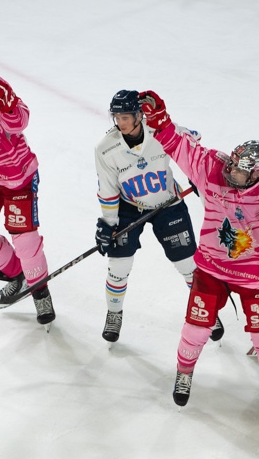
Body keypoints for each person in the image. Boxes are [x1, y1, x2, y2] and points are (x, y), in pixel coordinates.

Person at [137, 89, 259, 419]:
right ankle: (184, 374)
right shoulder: (213, 167)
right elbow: (180, 146)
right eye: (232, 166)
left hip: (253, 277)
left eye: (240, 172)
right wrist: (160, 120)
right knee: (196, 328)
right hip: (211, 268)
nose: (231, 173)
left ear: (257, 173)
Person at [94, 90, 223, 344]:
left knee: (189, 264)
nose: (121, 122)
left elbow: (193, 142)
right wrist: (108, 226)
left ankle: (206, 310)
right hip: (128, 207)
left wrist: (197, 174)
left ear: (140, 115)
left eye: (126, 117)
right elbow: (107, 190)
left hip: (168, 203)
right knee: (119, 267)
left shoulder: (160, 131)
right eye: (117, 117)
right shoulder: (105, 149)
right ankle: (114, 312)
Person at [0, 40, 55, 326]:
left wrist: (8, 105)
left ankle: (40, 292)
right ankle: (16, 275)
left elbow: (20, 122)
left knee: (26, 240)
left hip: (18, 176)